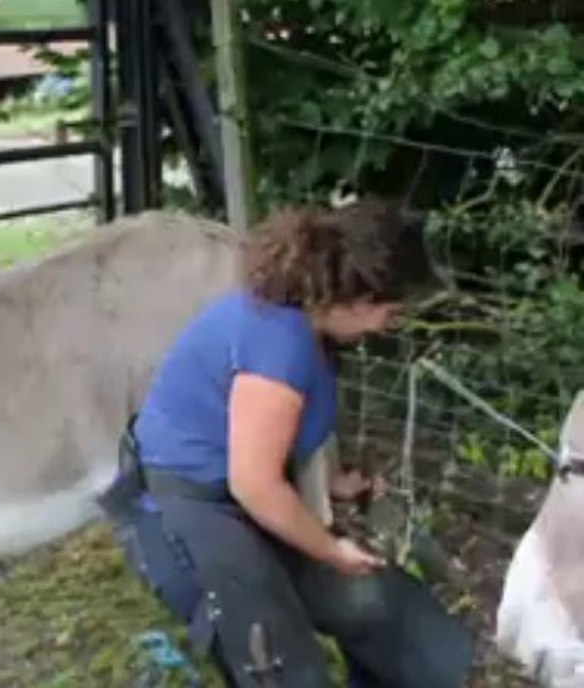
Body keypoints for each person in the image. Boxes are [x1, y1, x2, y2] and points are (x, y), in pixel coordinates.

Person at [100, 198, 474, 687]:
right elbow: (255, 484)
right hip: (187, 507)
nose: (390, 324)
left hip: (237, 490)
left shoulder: (307, 323)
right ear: (360, 298)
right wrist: (330, 550)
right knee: (279, 661)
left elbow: (268, 441)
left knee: (379, 605)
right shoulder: (280, 342)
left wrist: (334, 485)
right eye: (391, 310)